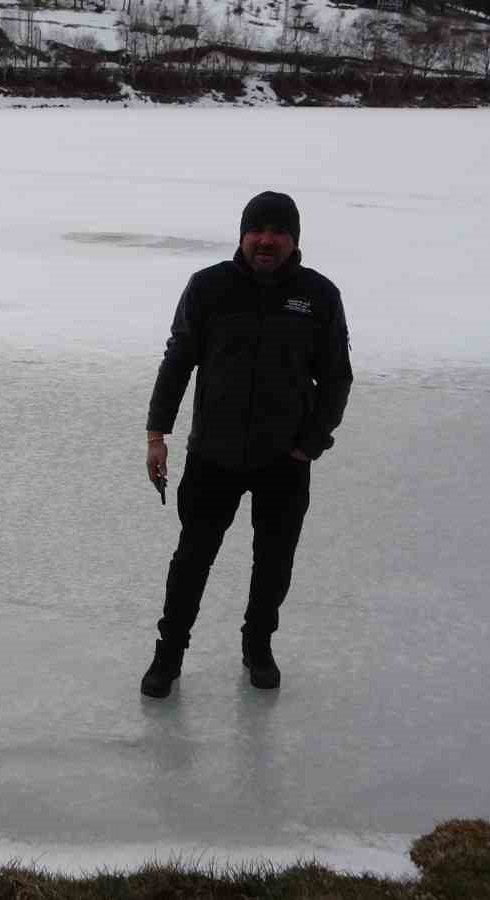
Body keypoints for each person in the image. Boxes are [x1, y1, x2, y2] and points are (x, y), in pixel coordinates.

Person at [141, 191, 352, 699]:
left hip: (284, 459)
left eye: (278, 232)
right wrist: (157, 434)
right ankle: (168, 656)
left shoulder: (318, 295)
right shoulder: (209, 287)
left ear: (293, 240)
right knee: (192, 558)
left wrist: (310, 444)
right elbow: (177, 362)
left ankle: (258, 646)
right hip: (213, 453)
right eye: (257, 230)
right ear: (242, 235)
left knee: (274, 561)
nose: (266, 240)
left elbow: (337, 378)